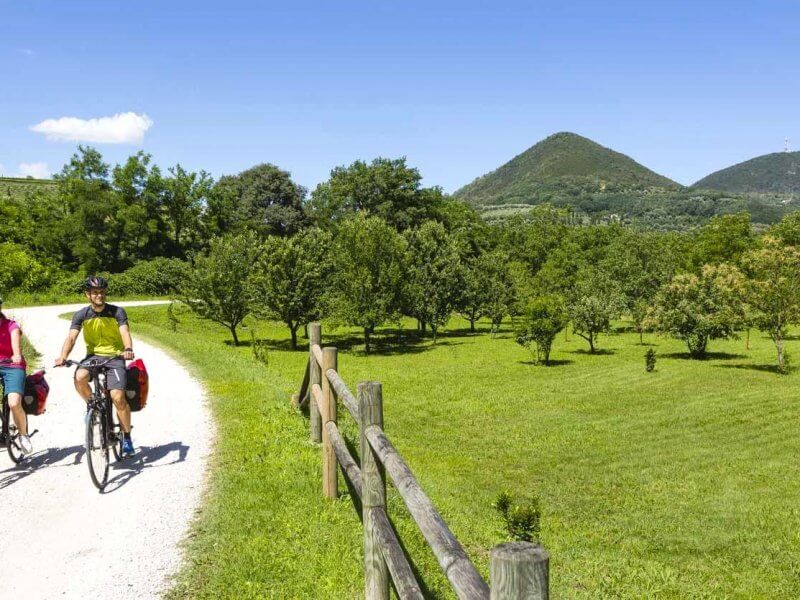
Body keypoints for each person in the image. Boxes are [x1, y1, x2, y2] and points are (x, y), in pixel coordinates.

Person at [55, 276, 136, 455]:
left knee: (118, 398)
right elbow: (71, 337)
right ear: (88, 295)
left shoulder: (117, 312)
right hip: (93, 357)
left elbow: (125, 332)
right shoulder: (82, 314)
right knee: (79, 377)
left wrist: (128, 349)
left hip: (115, 356)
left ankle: (127, 437)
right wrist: (63, 356)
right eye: (95, 292)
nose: (99, 295)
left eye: (101, 292)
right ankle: (94, 406)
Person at [0, 297, 32, 454]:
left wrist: (17, 355)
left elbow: (16, 345)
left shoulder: (11, 326)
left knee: (13, 403)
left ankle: (23, 435)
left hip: (12, 366)